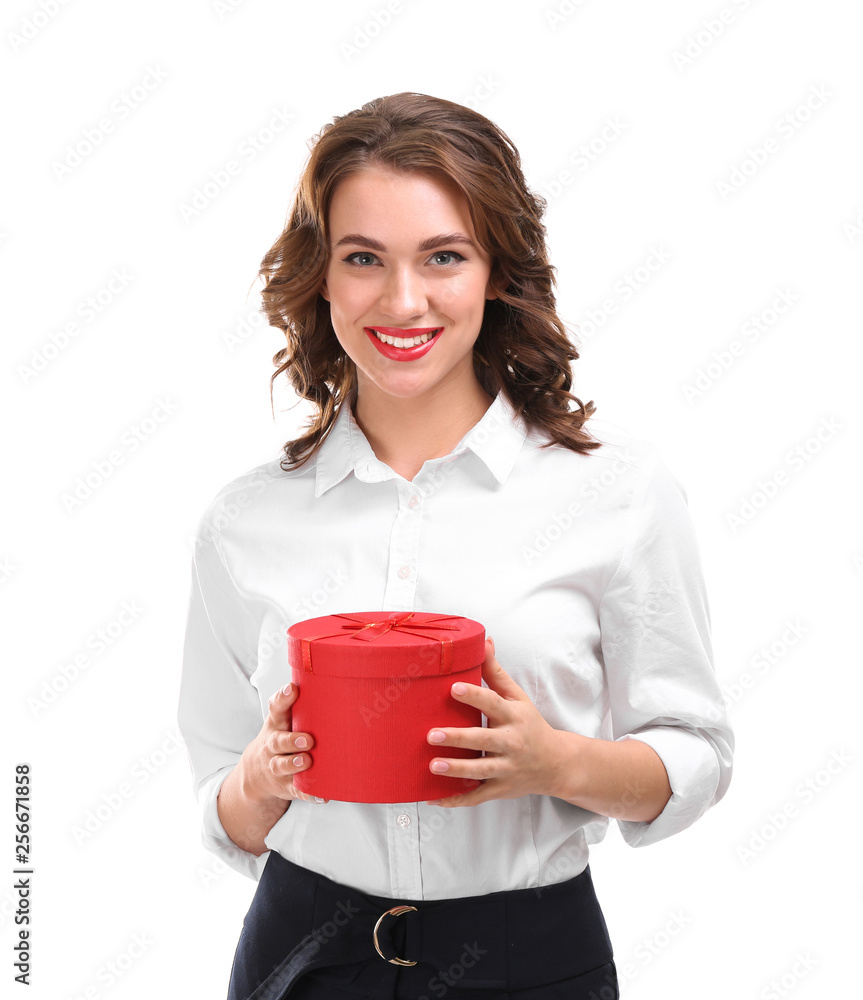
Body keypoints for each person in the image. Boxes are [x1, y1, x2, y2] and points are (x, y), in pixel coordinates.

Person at [177, 92, 734, 1000]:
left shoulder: (615, 494)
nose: (403, 300)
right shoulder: (244, 522)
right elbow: (224, 813)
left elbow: (696, 758)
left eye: (444, 256)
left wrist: (555, 763)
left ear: (495, 272)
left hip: (531, 956)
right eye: (363, 258)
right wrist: (259, 776)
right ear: (320, 277)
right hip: (303, 955)